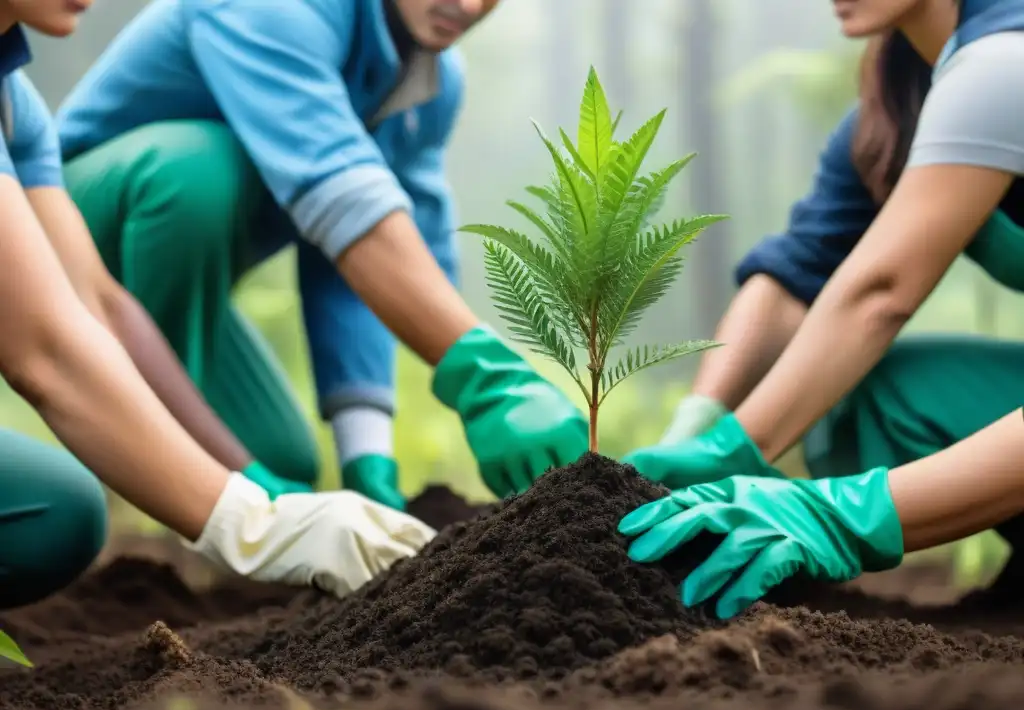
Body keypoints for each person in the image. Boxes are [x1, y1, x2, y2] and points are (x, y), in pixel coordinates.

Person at [54, 0, 588, 510]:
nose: (467, 5)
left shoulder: (429, 84)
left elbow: (376, 260)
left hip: (176, 298)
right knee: (195, 169)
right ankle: (144, 435)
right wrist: (489, 378)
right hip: (56, 242)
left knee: (285, 464)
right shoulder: (275, 7)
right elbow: (344, 204)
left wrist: (367, 461)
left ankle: (200, 457)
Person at [0, 0, 438, 611]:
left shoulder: (14, 103)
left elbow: (99, 303)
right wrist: (250, 526)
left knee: (55, 515)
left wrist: (251, 483)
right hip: (123, 200)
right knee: (194, 169)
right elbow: (43, 352)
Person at [618, 0, 1024, 620]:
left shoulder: (1006, 61)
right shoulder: (897, 108)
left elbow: (879, 292)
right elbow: (797, 280)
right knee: (872, 399)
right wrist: (704, 426)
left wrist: (843, 515)